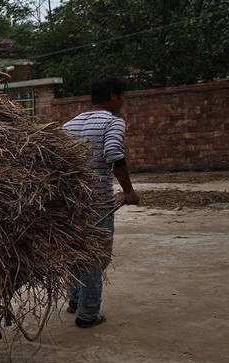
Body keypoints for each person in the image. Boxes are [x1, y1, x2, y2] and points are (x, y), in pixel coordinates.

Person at [63, 75, 140, 328]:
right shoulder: (113, 122)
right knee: (96, 257)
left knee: (76, 252)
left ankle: (75, 300)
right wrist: (128, 191)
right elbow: (114, 155)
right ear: (113, 97)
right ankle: (87, 315)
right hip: (98, 203)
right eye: (122, 96)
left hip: (72, 202)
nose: (123, 102)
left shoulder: (69, 124)